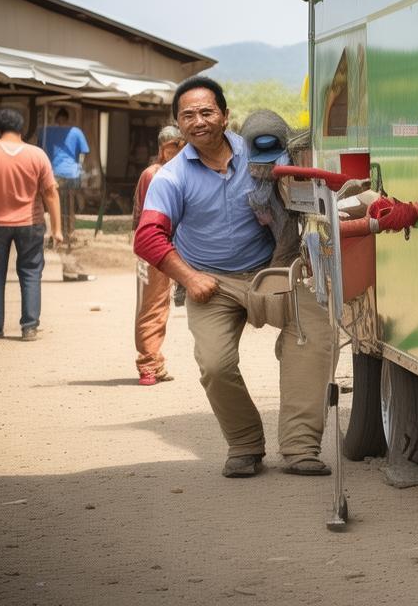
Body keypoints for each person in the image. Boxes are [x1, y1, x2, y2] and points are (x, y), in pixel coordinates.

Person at [134, 76, 333, 478]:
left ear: (225, 117)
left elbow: (307, 193)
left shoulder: (264, 154)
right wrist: (189, 279)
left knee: (316, 332)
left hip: (270, 272)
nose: (198, 121)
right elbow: (147, 237)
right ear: (179, 124)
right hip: (210, 283)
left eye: (207, 112)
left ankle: (299, 447)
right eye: (187, 115)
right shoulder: (171, 176)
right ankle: (244, 444)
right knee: (214, 364)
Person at [0, 108, 63, 340]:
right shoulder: (37, 155)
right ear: (21, 127)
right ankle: (29, 326)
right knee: (30, 273)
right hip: (30, 222)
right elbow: (51, 193)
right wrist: (57, 229)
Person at [131, 125, 186, 386]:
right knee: (151, 306)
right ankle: (148, 364)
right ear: (162, 149)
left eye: (180, 146)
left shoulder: (180, 172)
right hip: (153, 248)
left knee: (161, 305)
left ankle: (156, 361)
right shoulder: (153, 174)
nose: (177, 151)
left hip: (172, 249)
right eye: (172, 147)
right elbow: (143, 214)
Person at [38, 107, 92, 282]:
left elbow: (41, 150)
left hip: (53, 174)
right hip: (71, 174)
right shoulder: (76, 131)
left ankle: (55, 232)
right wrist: (80, 169)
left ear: (56, 117)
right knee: (69, 211)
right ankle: (67, 234)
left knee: (51, 209)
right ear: (68, 118)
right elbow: (83, 154)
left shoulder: (46, 131)